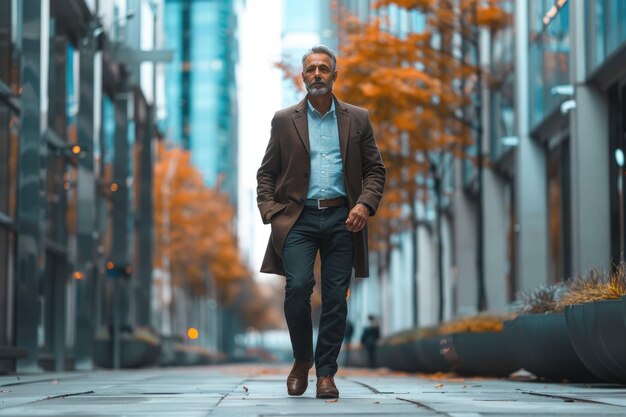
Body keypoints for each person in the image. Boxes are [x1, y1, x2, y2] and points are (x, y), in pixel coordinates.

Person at [256, 45, 386, 399]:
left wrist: (364, 205)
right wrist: (271, 212)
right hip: (297, 218)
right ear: (303, 76)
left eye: (323, 69)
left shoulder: (357, 118)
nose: (317, 74)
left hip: (345, 218)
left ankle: (326, 373)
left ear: (334, 75)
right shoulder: (285, 120)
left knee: (335, 298)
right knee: (297, 288)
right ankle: (302, 360)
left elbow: (375, 169)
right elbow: (266, 173)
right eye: (311, 69)